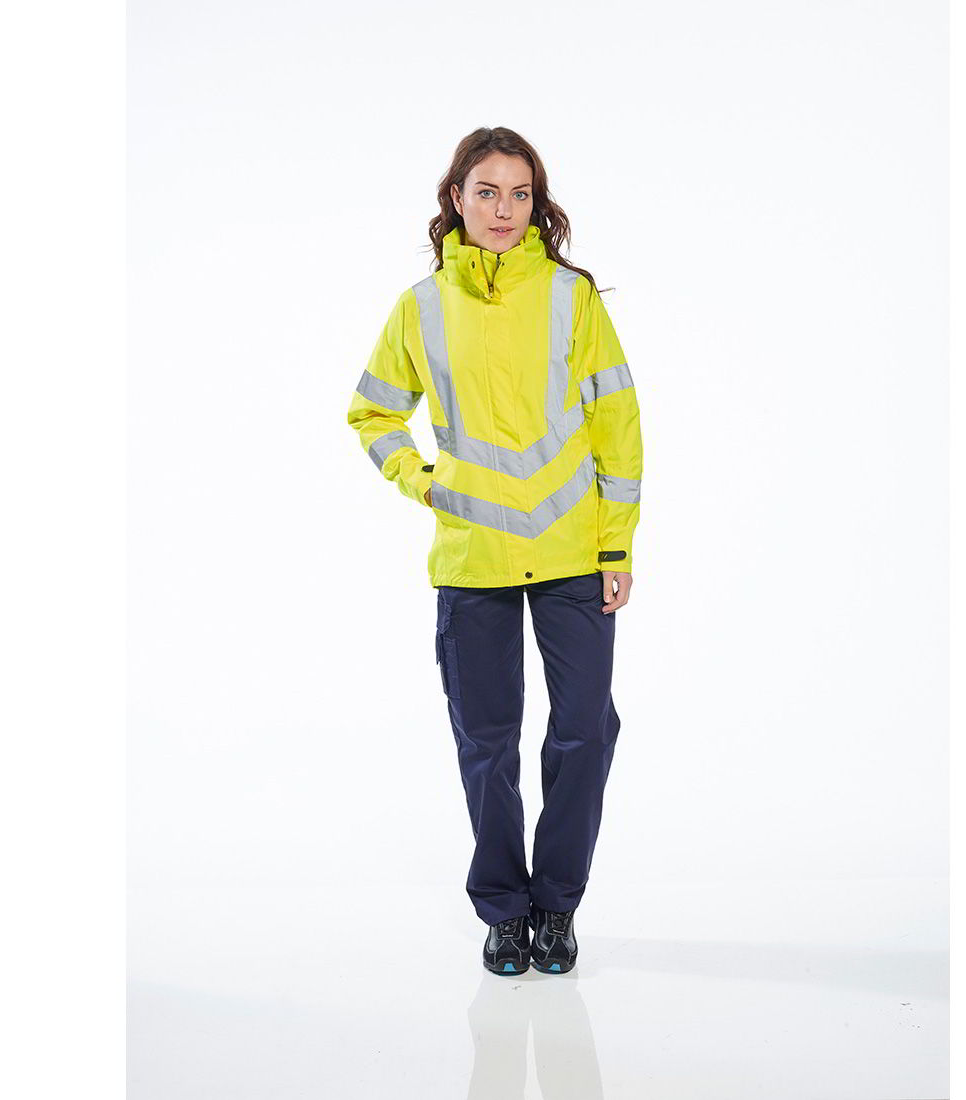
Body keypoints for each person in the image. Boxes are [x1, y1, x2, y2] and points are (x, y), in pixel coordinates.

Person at [347, 127, 643, 976]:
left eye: (520, 193)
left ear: (536, 203)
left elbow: (617, 423)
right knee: (487, 741)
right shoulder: (420, 307)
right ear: (457, 198)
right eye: (487, 191)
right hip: (473, 554)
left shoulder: (571, 297)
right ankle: (505, 912)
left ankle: (557, 905)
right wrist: (421, 481)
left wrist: (616, 544)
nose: (504, 209)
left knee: (583, 731)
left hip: (571, 552)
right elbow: (372, 412)